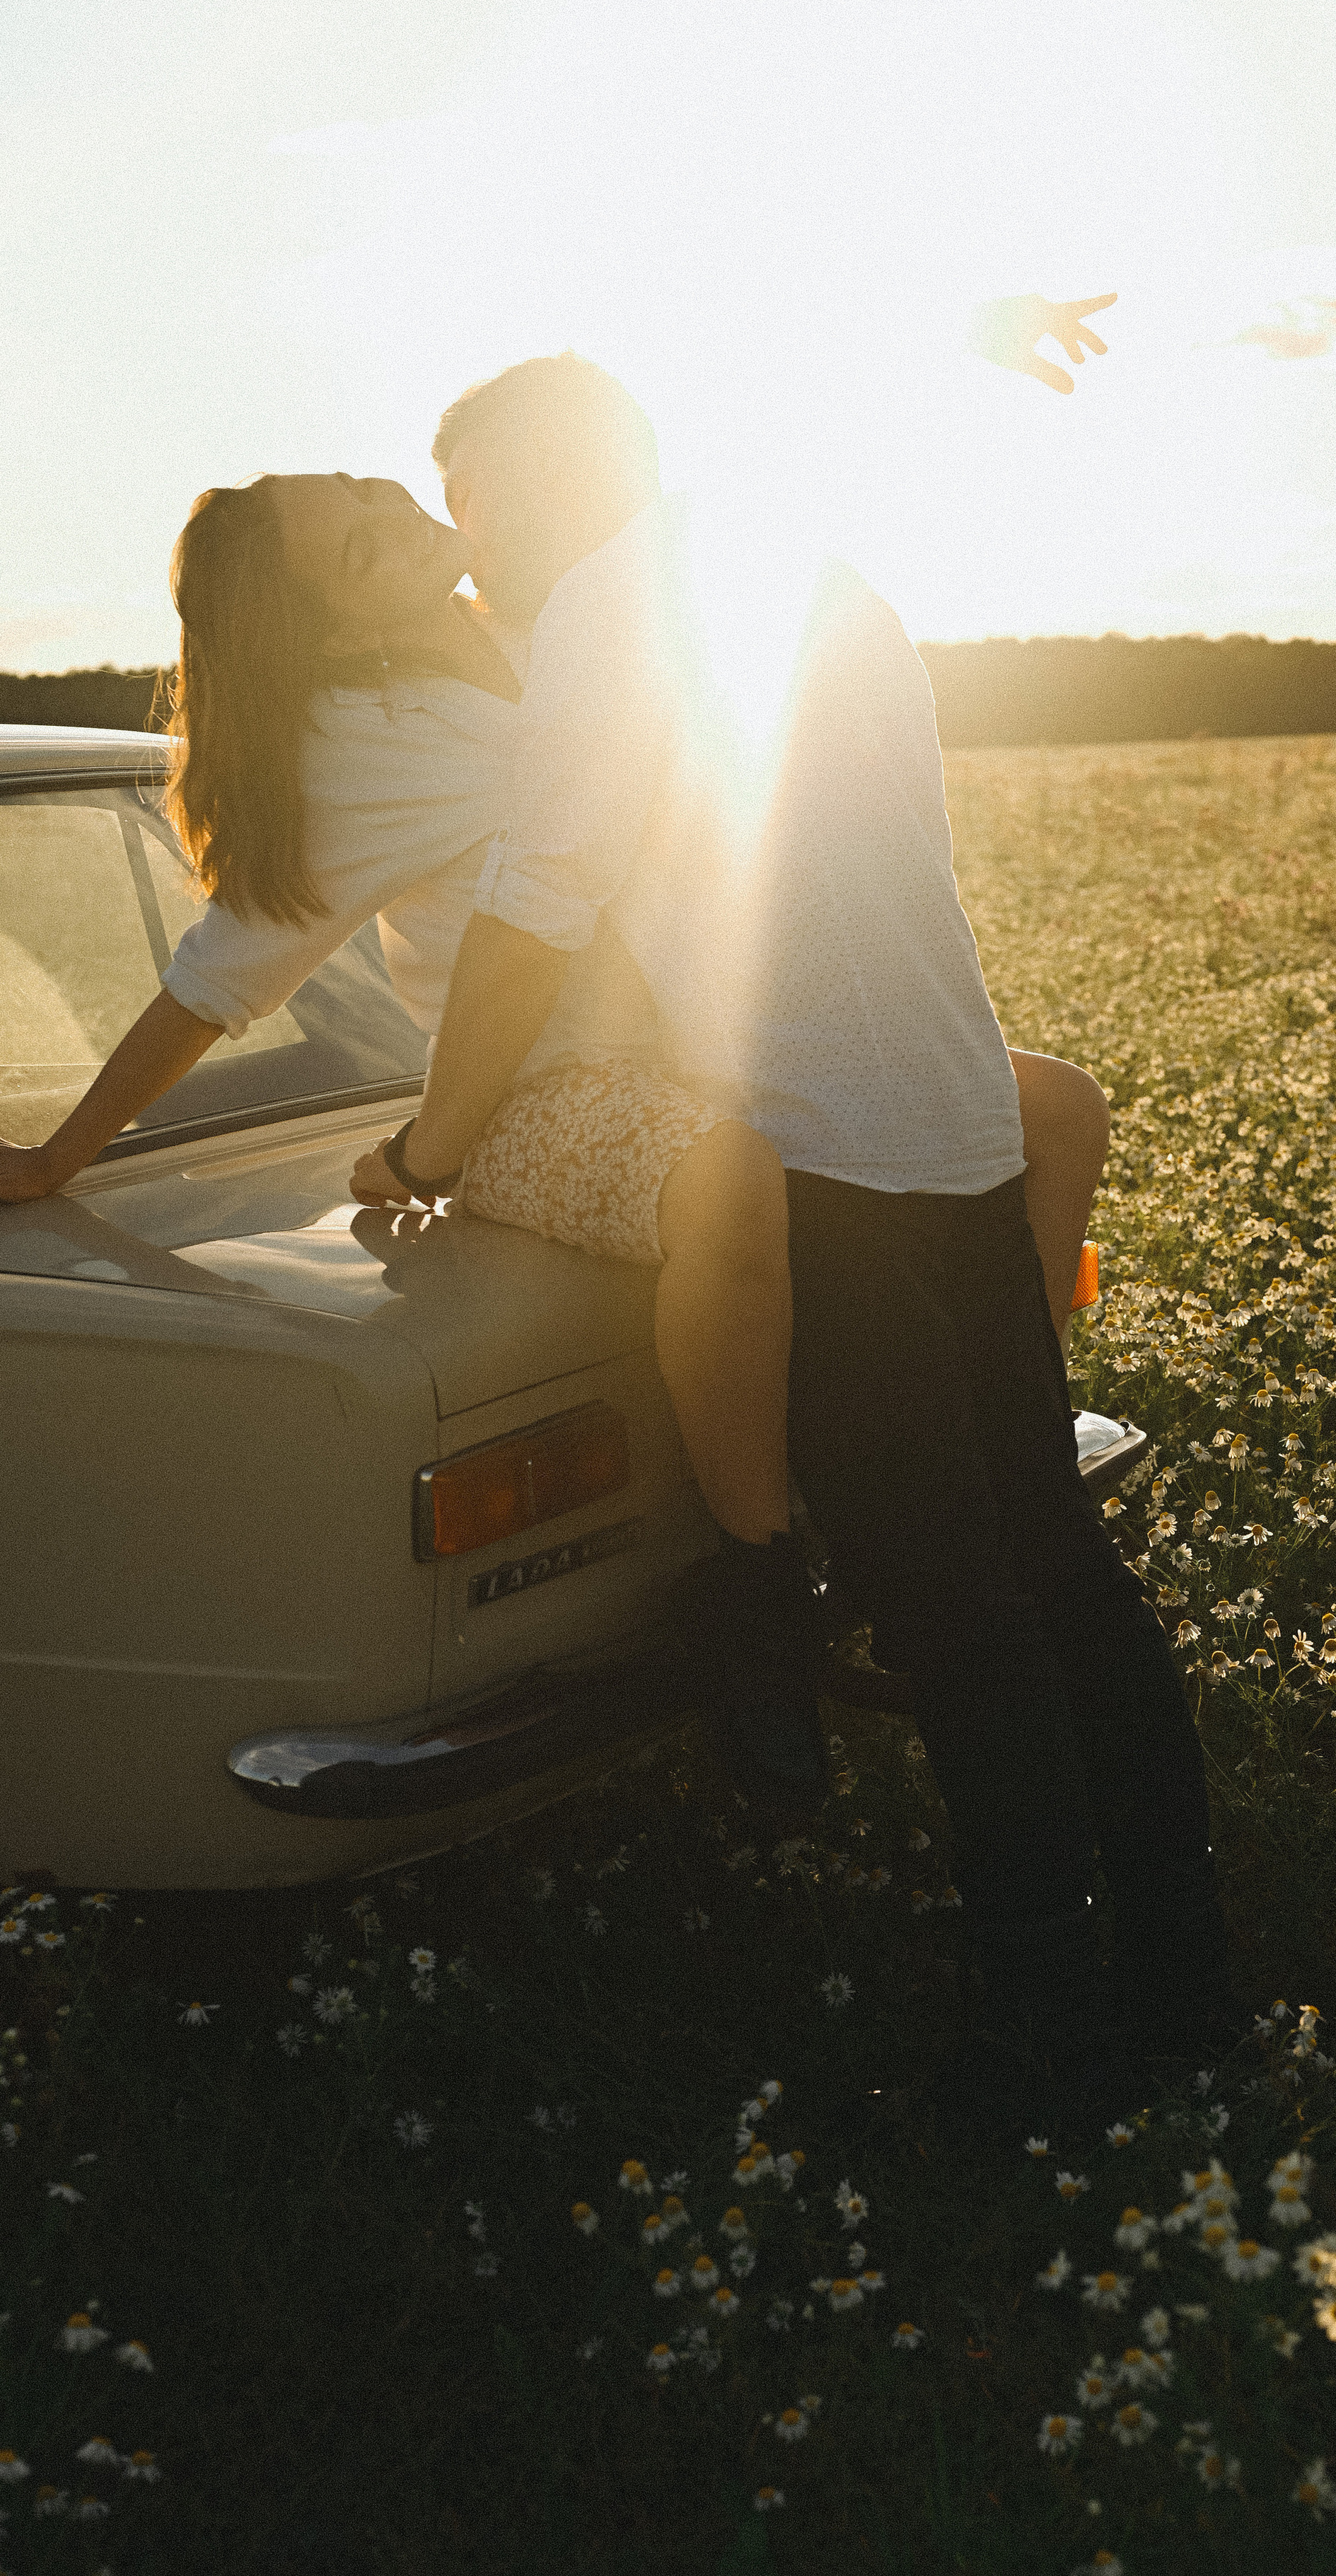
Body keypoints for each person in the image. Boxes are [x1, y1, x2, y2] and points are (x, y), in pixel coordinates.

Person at [0, 312, 1118, 1822]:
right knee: (727, 1180)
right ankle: (758, 1583)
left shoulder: (549, 625)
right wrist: (66, 1152)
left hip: (688, 1055)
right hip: (530, 1097)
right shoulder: (357, 748)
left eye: (379, 492)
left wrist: (930, 331)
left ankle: (1000, 1440)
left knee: (1045, 1108)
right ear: (320, 632)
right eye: (356, 547)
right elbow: (215, 983)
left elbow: (705, 491)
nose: (407, 517)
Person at [364, 347, 1228, 2096]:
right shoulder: (802, 570)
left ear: (547, 472)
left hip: (823, 1153)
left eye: (476, 505)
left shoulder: (616, 613)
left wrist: (438, 1138)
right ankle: (1189, 1974)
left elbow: (534, 910)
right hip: (955, 1119)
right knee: (1058, 1575)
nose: (473, 552)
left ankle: (1059, 2043)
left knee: (956, 1614)